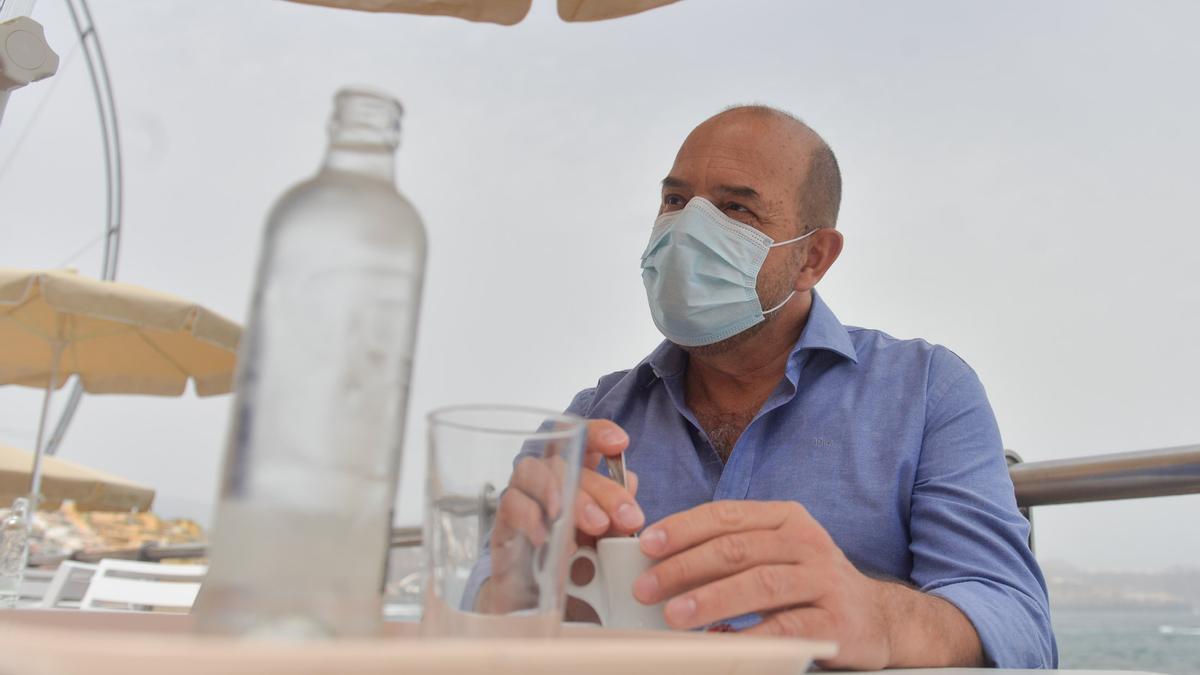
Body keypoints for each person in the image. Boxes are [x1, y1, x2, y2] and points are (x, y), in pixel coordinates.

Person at [477, 105, 1056, 669]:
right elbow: (475, 619)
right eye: (675, 201)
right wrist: (511, 586)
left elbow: (1017, 624)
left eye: (735, 210)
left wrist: (877, 619)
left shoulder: (926, 391)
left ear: (813, 257)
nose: (685, 233)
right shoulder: (590, 425)